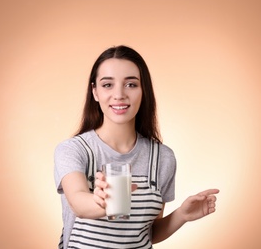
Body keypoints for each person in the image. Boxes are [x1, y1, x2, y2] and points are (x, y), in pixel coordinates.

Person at [54, 45, 219, 249]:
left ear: (143, 91)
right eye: (107, 85)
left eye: (131, 84)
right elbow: (78, 203)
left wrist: (181, 216)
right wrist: (103, 202)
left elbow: (149, 233)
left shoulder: (162, 158)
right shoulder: (73, 150)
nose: (119, 94)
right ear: (95, 92)